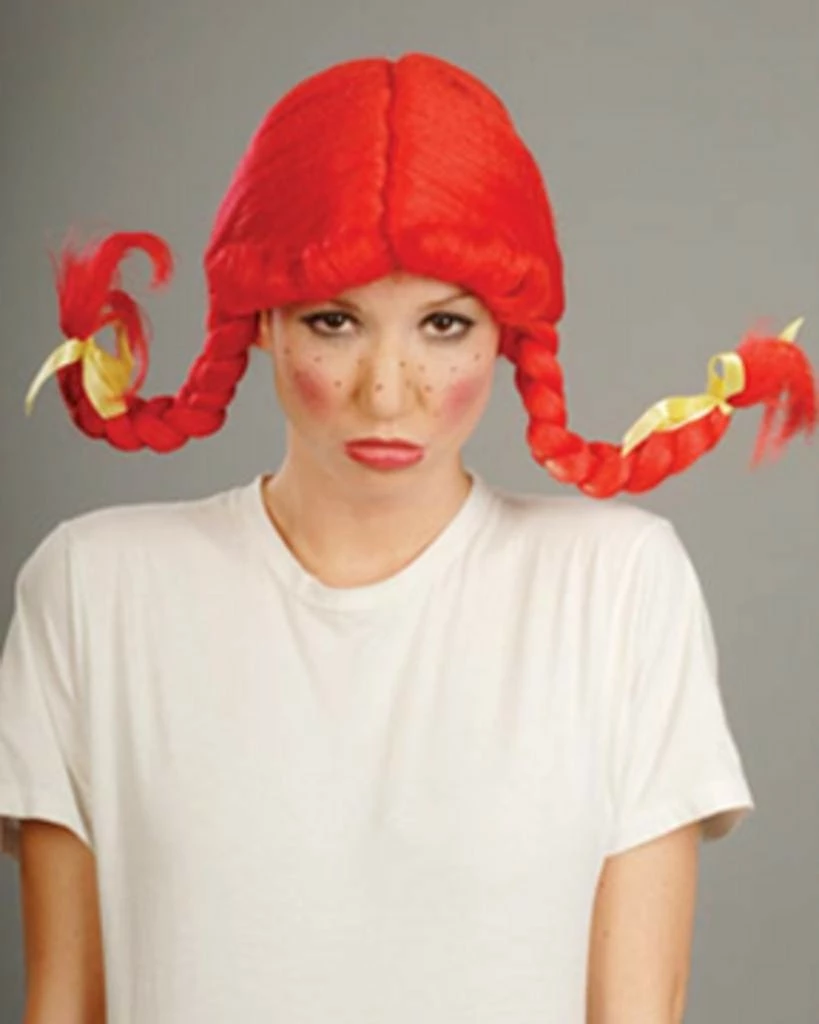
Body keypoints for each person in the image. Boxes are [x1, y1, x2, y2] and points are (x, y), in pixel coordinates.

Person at [0, 51, 814, 1024]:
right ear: (259, 321)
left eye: (442, 325)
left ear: (507, 333)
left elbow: (637, 1009)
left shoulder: (618, 587)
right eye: (333, 321)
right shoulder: (93, 589)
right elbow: (63, 1003)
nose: (387, 391)